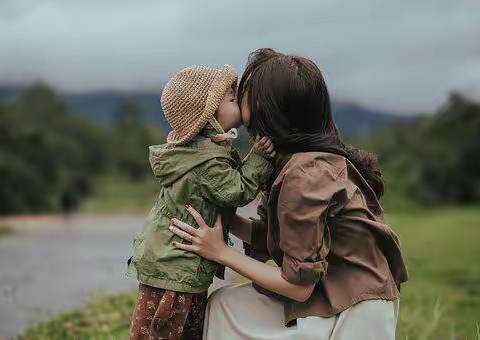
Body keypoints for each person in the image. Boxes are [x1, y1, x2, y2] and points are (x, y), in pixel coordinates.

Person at [169, 49, 409, 340]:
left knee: (229, 308)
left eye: (239, 97)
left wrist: (221, 252)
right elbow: (283, 241)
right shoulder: (302, 161)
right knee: (225, 305)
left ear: (264, 107)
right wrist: (225, 219)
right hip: (332, 291)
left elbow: (298, 285)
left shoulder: (304, 174)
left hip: (353, 310)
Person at [126, 64, 276, 339]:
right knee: (167, 330)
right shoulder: (204, 162)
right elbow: (236, 190)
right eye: (232, 100)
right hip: (175, 268)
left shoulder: (203, 152)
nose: (238, 103)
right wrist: (259, 159)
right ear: (208, 118)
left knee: (184, 328)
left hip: (176, 264)